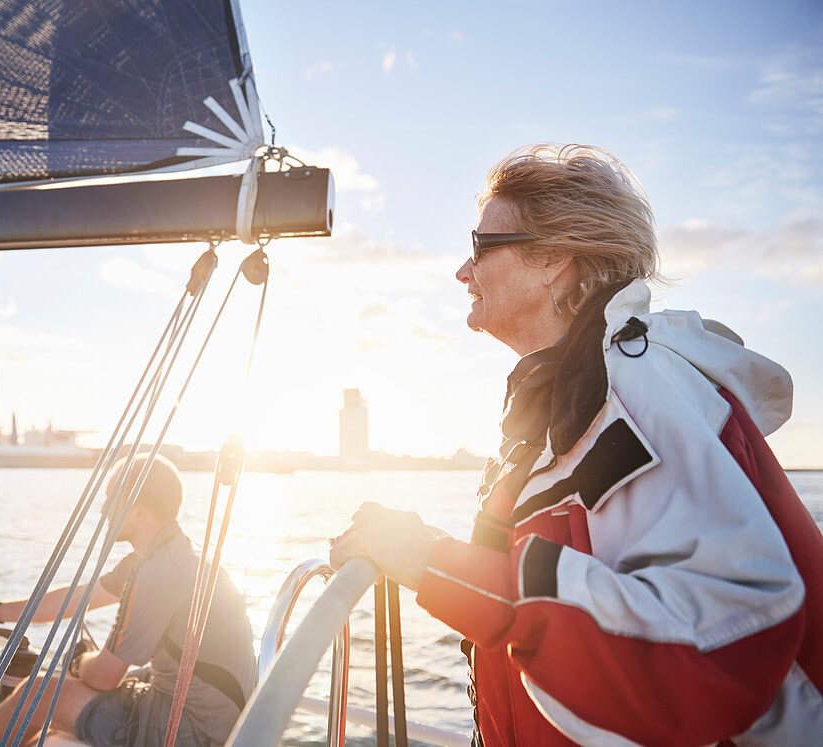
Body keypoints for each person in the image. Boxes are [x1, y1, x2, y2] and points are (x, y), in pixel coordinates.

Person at [330, 144, 822, 745]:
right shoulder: (571, 404)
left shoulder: (632, 386)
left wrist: (431, 561)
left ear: (555, 259)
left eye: (482, 247)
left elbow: (728, 626)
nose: (463, 271)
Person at [0, 454, 256, 746]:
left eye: (110, 498)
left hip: (196, 731)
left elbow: (105, 677)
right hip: (218, 717)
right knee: (57, 685)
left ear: (137, 512)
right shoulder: (168, 555)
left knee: (37, 693)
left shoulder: (157, 575)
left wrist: (81, 661)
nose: (104, 509)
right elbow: (79, 597)